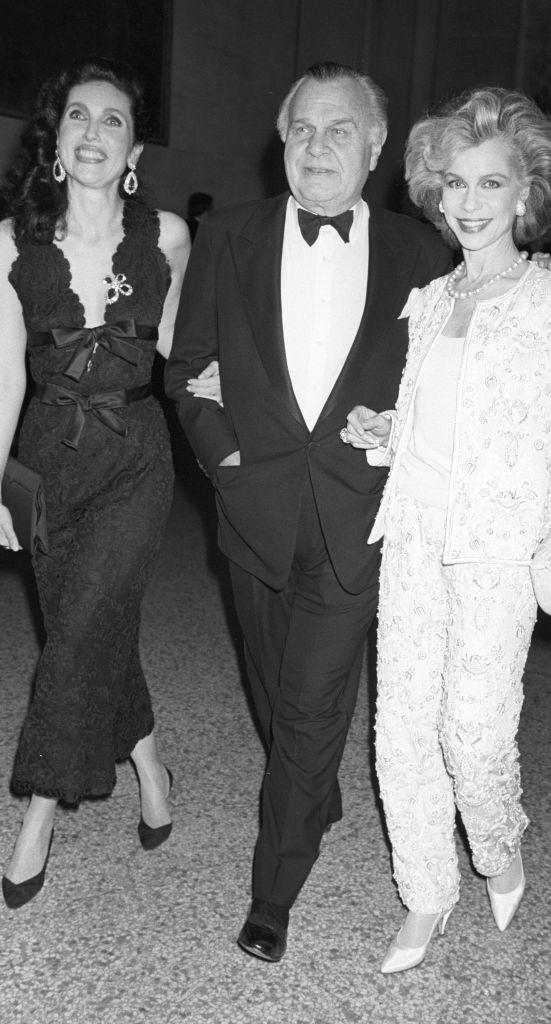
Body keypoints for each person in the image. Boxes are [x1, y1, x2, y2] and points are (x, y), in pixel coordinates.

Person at [164, 61, 452, 962]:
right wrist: (226, 459)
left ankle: (272, 892)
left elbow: (444, 392)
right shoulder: (230, 237)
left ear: (374, 147)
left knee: (314, 704)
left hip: (356, 513)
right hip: (254, 508)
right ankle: (311, 787)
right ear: (279, 143)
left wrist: (398, 429)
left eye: (339, 131)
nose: (318, 147)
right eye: (302, 131)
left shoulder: (423, 255)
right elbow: (188, 371)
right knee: (270, 681)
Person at [343, 87, 551, 974]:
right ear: (434, 186)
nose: (469, 203)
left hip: (499, 546)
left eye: (490, 183)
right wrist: (386, 432)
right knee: (399, 728)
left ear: (524, 192)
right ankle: (424, 894)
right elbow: (444, 424)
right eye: (454, 182)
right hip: (416, 534)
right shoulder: (428, 301)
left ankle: (497, 847)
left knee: (471, 731)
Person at [0, 57, 219, 909]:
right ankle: (153, 771)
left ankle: (37, 816)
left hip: (135, 456)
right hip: (49, 458)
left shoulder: (163, 233)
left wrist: (242, 399)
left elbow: (181, 348)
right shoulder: (13, 241)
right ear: (56, 138)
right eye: (79, 117)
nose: (94, 131)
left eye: (114, 120)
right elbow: (6, 373)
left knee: (80, 626)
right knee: (95, 636)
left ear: (132, 146)